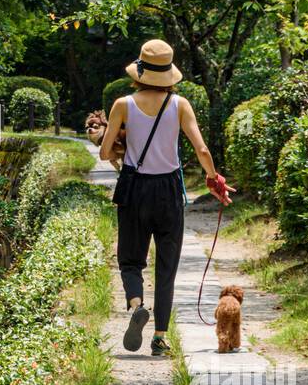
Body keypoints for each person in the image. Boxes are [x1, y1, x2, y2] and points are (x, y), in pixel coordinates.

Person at [99, 40, 233, 357]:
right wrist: (214, 180)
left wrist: (124, 146)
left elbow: (105, 152)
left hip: (134, 188)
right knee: (167, 265)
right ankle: (160, 337)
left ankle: (135, 305)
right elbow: (201, 149)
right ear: (169, 74)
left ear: (139, 72)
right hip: (169, 190)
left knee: (131, 260)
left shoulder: (123, 104)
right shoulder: (180, 105)